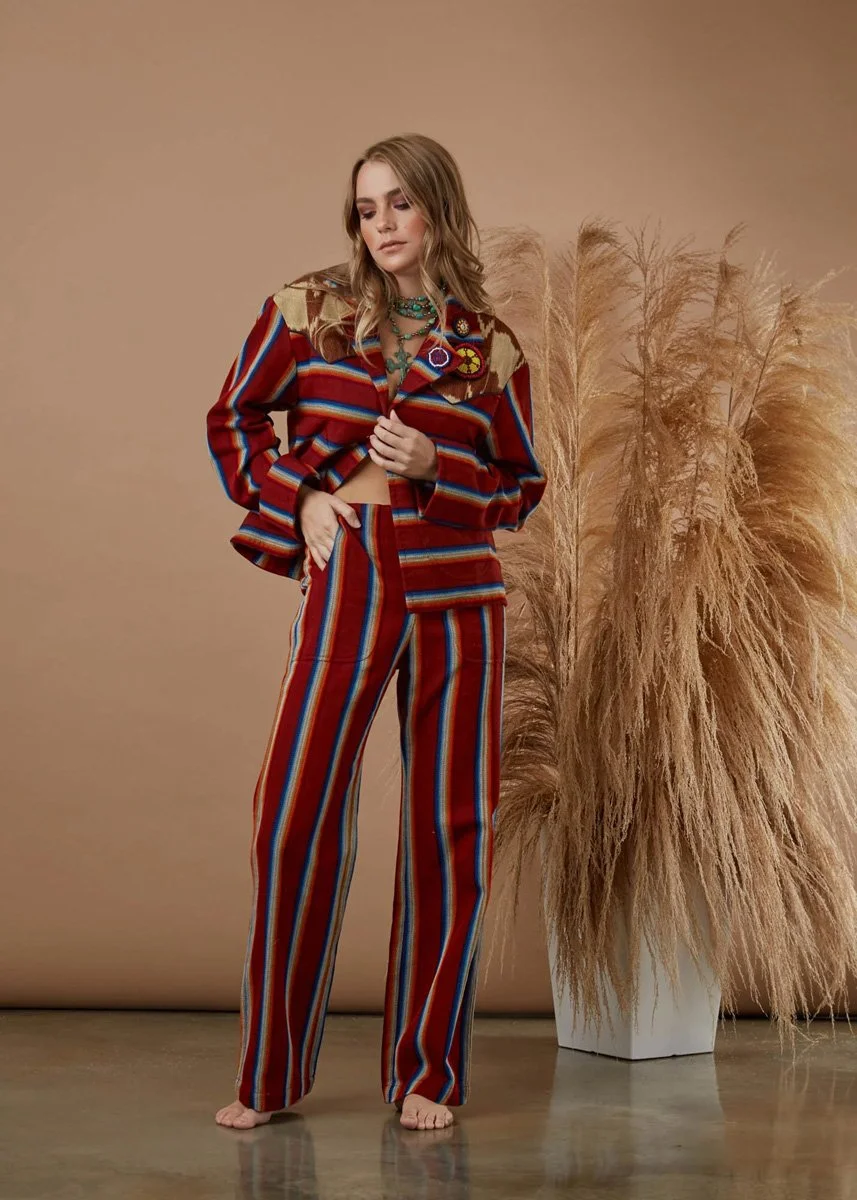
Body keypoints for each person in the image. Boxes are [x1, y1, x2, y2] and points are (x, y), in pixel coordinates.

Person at [205, 133, 547, 1132]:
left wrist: (437, 470)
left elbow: (520, 486)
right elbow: (233, 419)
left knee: (452, 827)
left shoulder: (487, 344)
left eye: (401, 203)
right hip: (348, 563)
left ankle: (428, 1072)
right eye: (366, 208)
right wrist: (298, 499)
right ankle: (268, 1075)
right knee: (294, 809)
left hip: (454, 581)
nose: (383, 225)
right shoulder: (306, 312)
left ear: (437, 208)